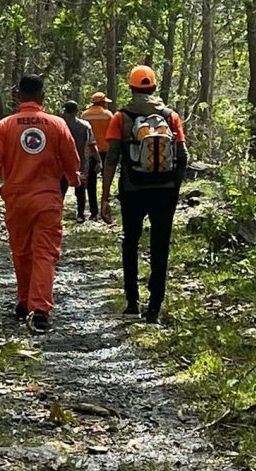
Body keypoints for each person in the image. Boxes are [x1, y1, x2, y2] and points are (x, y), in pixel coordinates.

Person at [0, 75, 81, 334]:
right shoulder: (57, 124)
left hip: (16, 200)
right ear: (42, 97)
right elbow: (72, 159)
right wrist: (73, 179)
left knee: (21, 252)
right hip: (47, 199)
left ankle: (25, 301)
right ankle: (40, 308)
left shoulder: (5, 126)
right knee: (45, 253)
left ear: (18, 97)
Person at [100, 66, 188, 324]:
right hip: (165, 192)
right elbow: (183, 156)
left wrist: (105, 197)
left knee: (131, 242)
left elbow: (112, 159)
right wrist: (174, 186)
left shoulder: (121, 117)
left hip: (132, 190)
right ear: (154, 87)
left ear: (131, 88)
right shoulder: (171, 116)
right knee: (160, 246)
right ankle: (155, 308)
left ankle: (131, 304)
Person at [60, 100, 98, 223]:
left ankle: (56, 213)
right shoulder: (85, 126)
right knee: (80, 190)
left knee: (60, 190)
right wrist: (99, 160)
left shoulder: (59, 125)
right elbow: (92, 145)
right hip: (80, 163)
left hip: (61, 165)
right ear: (77, 111)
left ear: (64, 111)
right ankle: (80, 214)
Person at [81, 91, 114, 219]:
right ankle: (105, 206)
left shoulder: (84, 115)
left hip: (90, 152)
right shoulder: (107, 115)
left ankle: (93, 212)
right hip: (105, 151)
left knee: (91, 182)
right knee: (107, 180)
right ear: (102, 102)